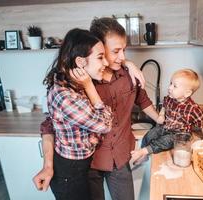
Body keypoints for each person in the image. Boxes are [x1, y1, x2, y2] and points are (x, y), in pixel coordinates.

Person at [33, 17, 160, 200]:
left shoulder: (128, 74)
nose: (122, 56)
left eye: (124, 51)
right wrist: (48, 164)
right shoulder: (81, 82)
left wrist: (161, 120)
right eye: (115, 51)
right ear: (98, 47)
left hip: (121, 156)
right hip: (90, 164)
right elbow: (50, 124)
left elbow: (142, 99)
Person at [42, 28, 113, 200]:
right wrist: (90, 87)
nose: (106, 63)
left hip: (81, 167)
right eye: (100, 57)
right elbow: (106, 125)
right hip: (70, 173)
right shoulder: (65, 95)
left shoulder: (73, 84)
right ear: (81, 62)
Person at [131, 69, 203, 165]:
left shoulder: (193, 108)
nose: (169, 88)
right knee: (150, 135)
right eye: (170, 83)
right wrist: (161, 115)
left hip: (180, 134)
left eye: (174, 86)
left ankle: (144, 151)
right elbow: (164, 107)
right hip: (166, 127)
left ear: (187, 93)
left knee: (165, 141)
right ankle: (144, 155)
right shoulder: (169, 99)